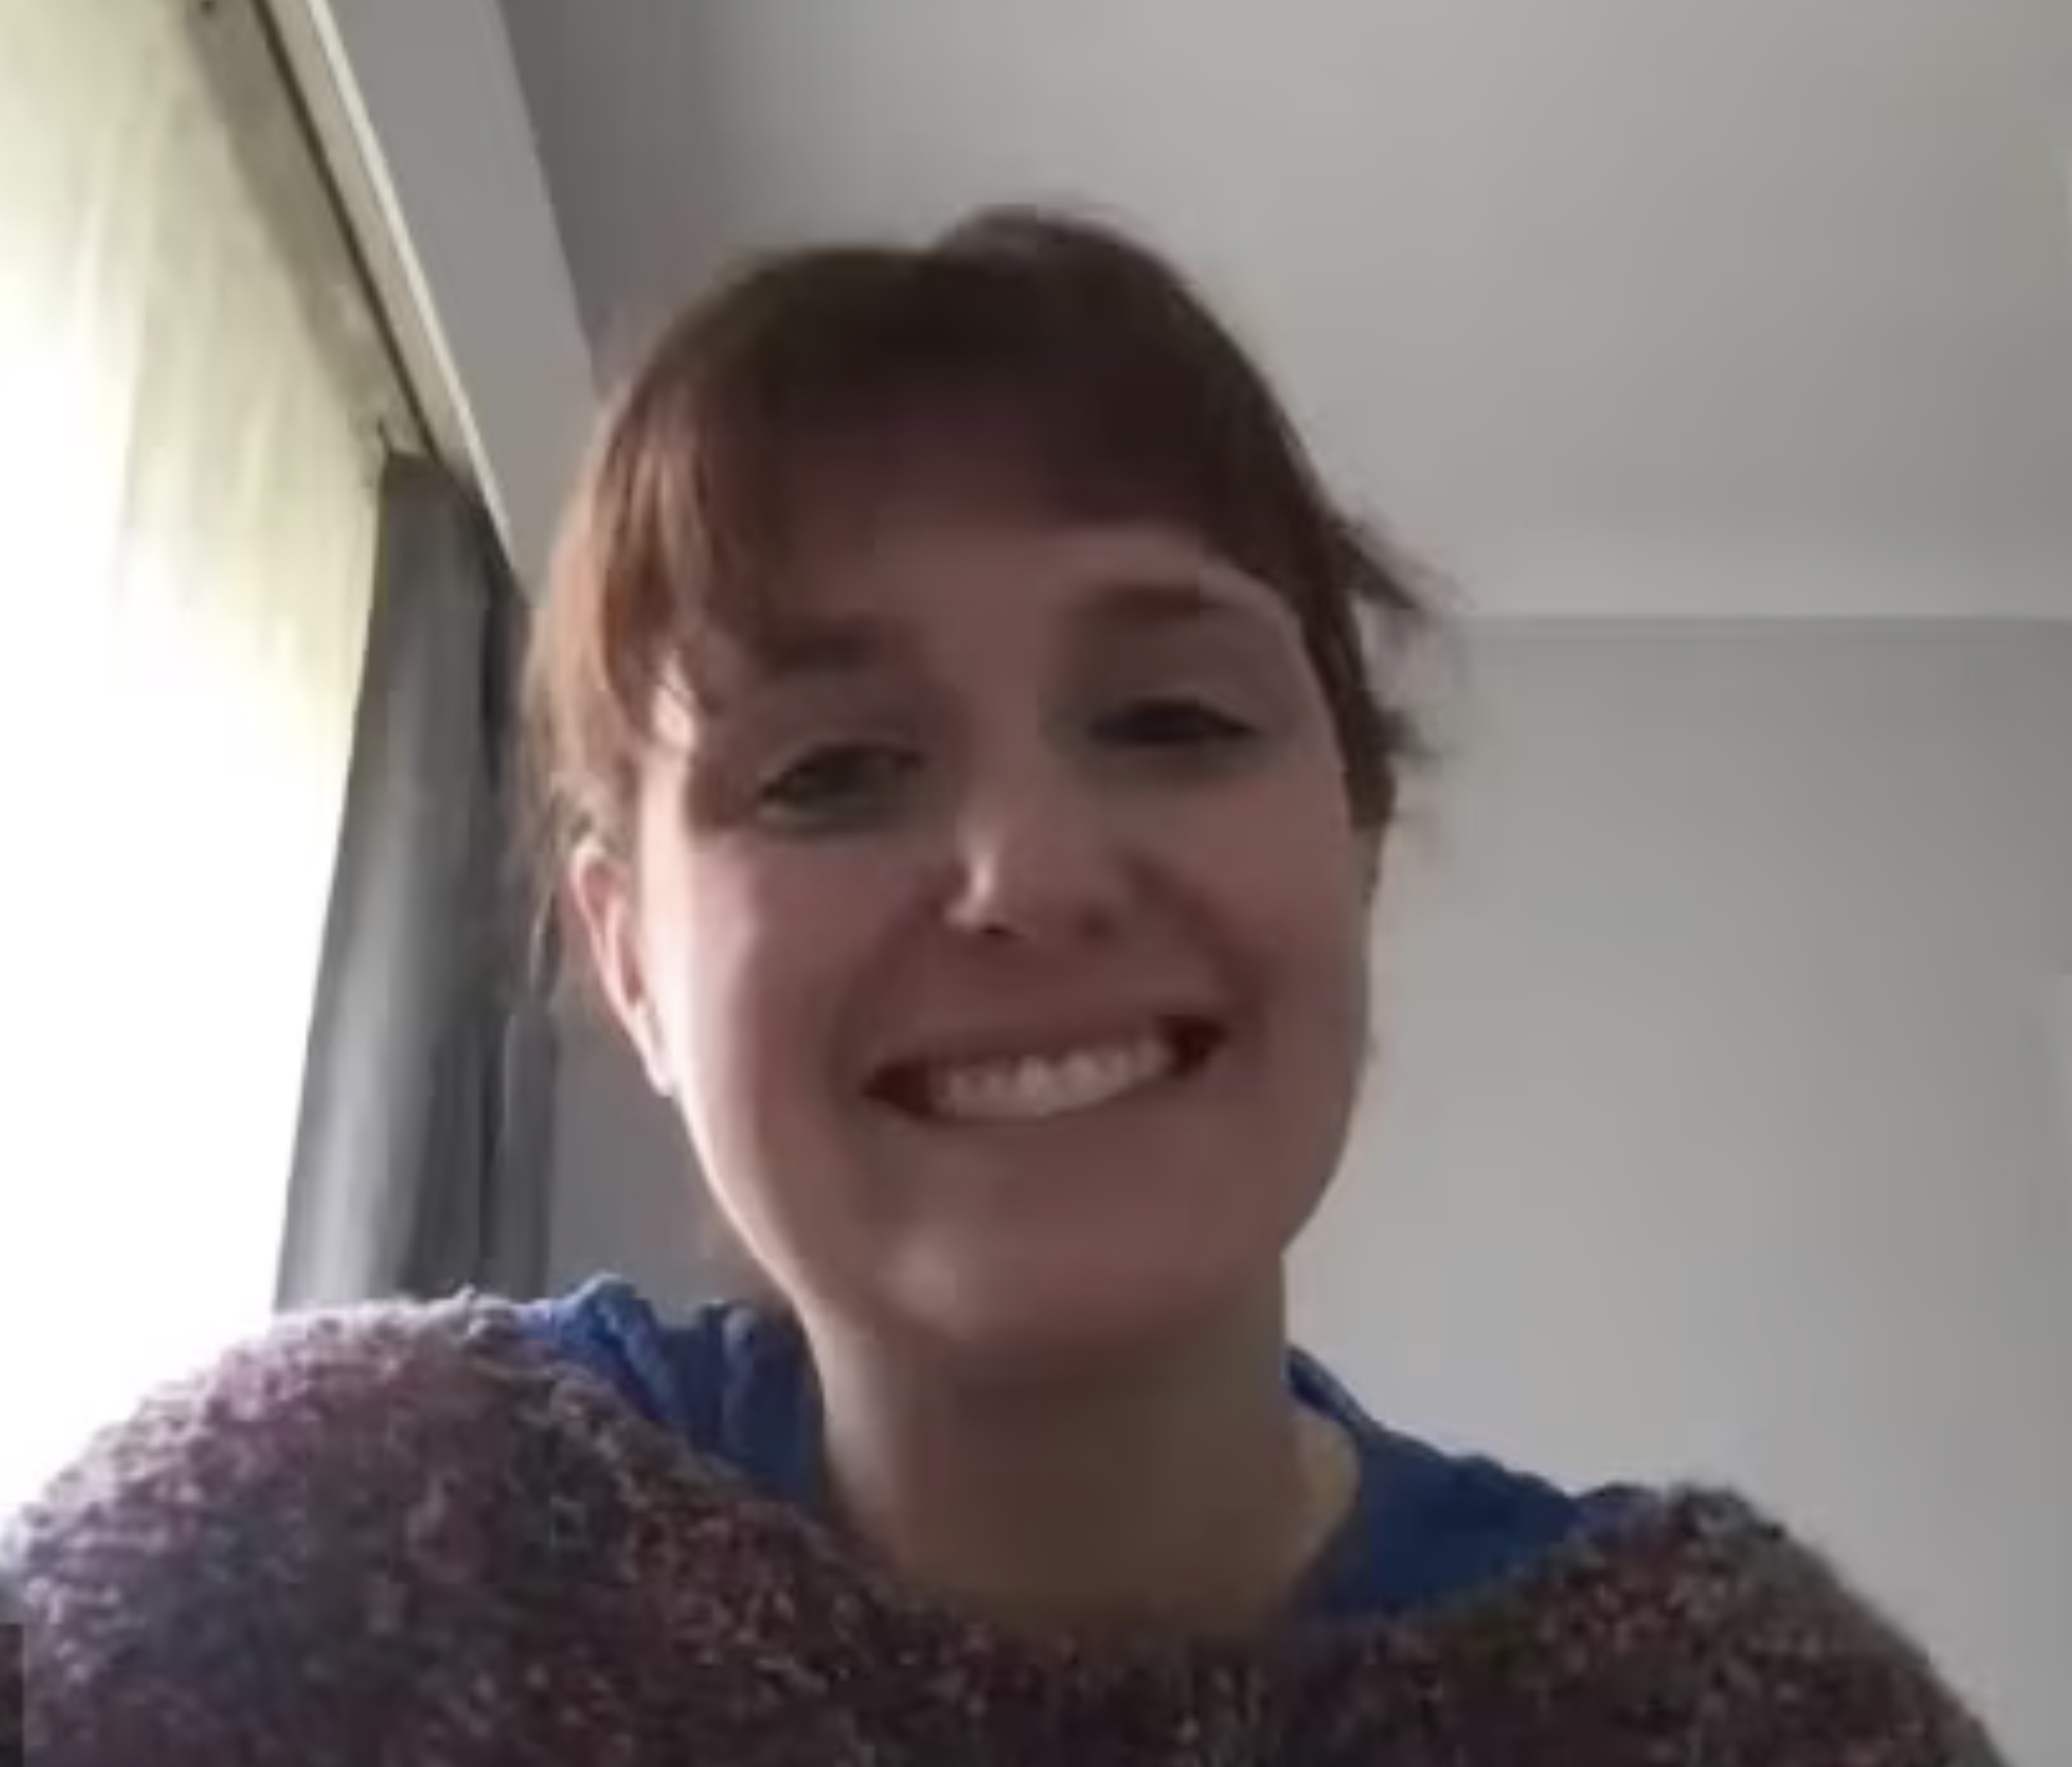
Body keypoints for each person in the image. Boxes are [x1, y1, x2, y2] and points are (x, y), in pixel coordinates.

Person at [4, 210, 2003, 1765]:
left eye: (1169, 719)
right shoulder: (314, 1561)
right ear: (632, 963)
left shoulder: (1742, 1722)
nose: (1028, 877)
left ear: (1354, 849)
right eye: (828, 771)